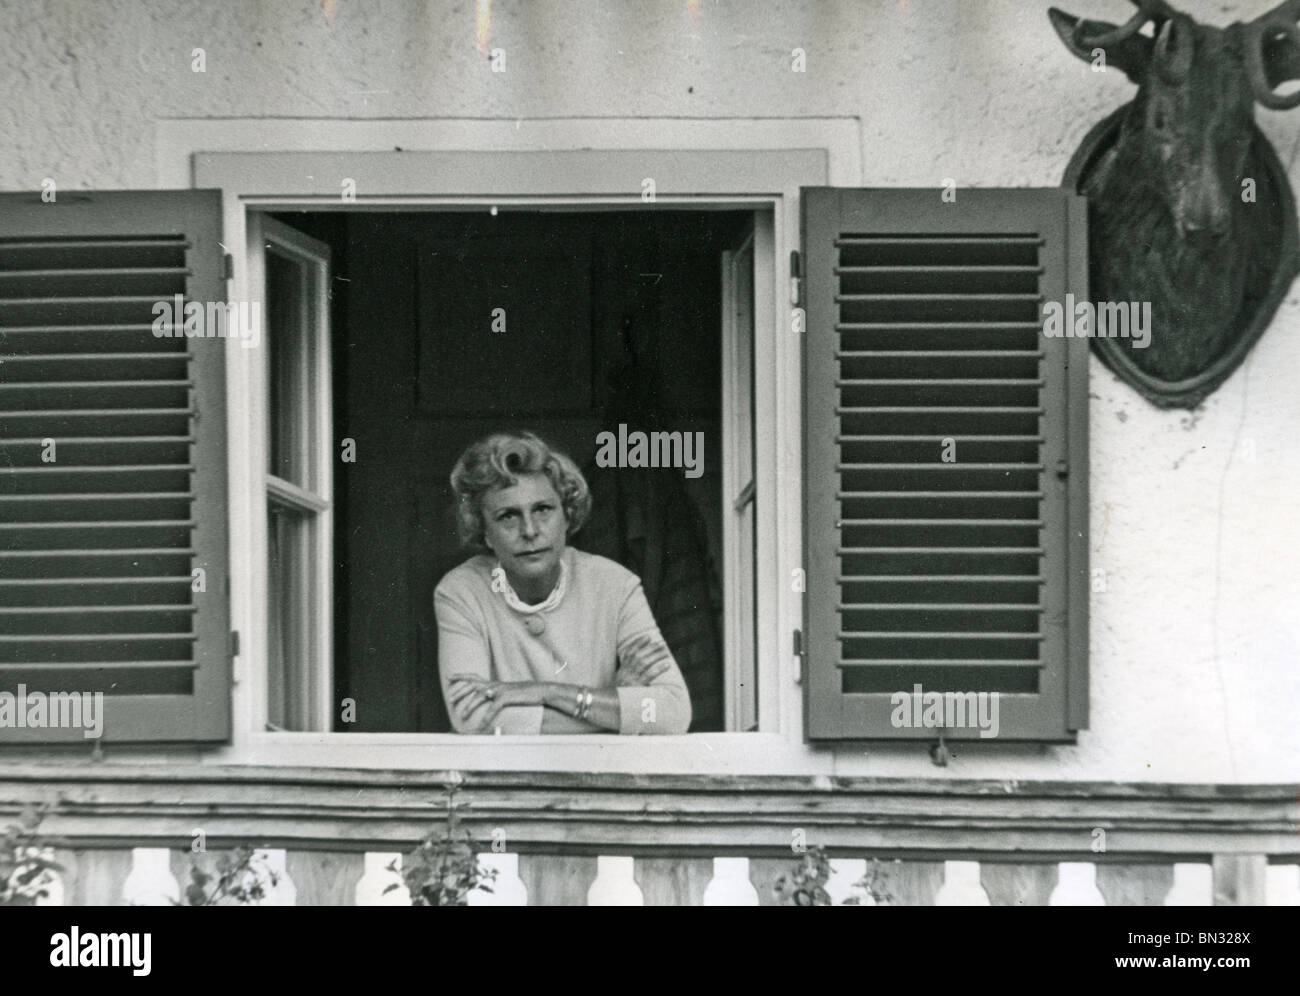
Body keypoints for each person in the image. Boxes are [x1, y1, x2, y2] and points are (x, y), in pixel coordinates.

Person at [435, 431, 692, 735]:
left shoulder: (615, 584)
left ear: (567, 516)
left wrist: (547, 692)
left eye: (543, 510)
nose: (530, 530)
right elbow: (473, 717)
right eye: (508, 516)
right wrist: (613, 706)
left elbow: (673, 712)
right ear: (484, 532)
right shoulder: (461, 591)